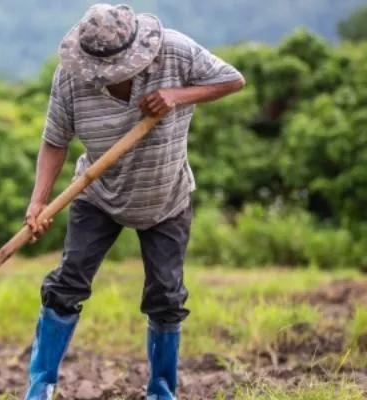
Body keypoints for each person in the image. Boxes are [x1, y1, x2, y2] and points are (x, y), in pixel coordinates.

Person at [23, 3, 245, 400]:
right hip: (97, 195)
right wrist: (38, 204)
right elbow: (55, 141)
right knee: (66, 285)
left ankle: (161, 392)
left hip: (166, 196)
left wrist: (179, 95)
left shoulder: (175, 51)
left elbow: (232, 80)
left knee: (166, 296)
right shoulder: (71, 79)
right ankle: (40, 388)